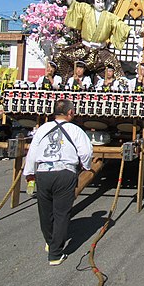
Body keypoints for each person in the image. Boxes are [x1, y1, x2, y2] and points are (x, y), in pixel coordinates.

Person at [23, 99, 93, 266]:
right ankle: (55, 253)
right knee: (61, 213)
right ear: (70, 113)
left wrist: (30, 173)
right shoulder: (76, 130)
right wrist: (86, 166)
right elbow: (86, 151)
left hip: (43, 172)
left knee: (45, 211)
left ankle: (50, 241)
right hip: (65, 173)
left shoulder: (42, 129)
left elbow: (33, 151)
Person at [56, 0, 132, 79]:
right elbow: (73, 4)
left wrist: (131, 31)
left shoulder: (109, 16)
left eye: (102, 2)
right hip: (84, 49)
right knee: (60, 56)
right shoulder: (86, 9)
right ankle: (68, 81)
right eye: (98, 2)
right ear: (93, 2)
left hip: (101, 51)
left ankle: (119, 87)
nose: (101, 4)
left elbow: (120, 24)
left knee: (114, 65)